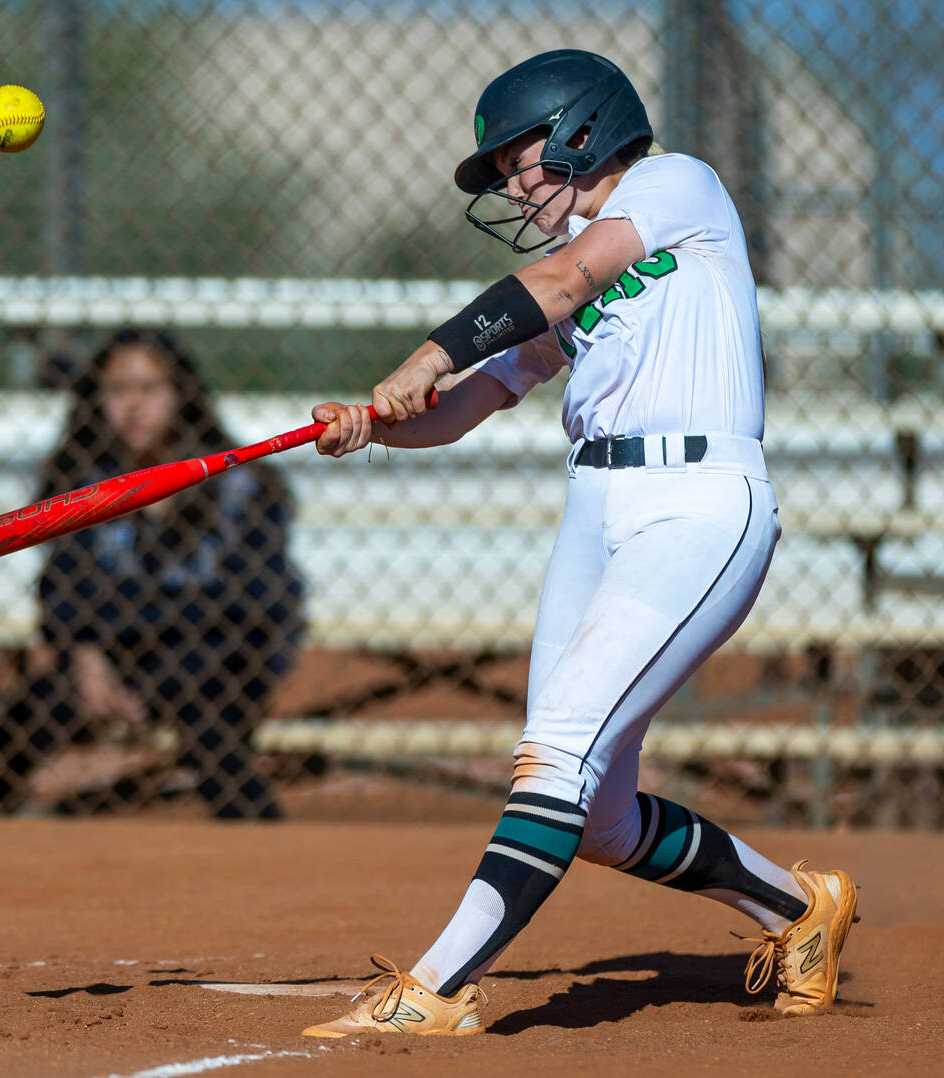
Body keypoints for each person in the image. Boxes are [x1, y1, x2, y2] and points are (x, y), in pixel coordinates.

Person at [301, 49, 858, 1036]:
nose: (514, 184)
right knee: (596, 815)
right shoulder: (583, 274)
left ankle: (435, 986)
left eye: (520, 159)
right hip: (596, 511)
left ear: (582, 130)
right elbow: (469, 403)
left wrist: (425, 354)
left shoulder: (673, 187)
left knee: (555, 747)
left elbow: (557, 280)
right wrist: (375, 423)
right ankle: (798, 908)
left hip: (697, 503)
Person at [0, 327, 304, 819]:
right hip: (115, 655)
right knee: (37, 705)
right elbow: (62, 586)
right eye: (118, 391)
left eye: (149, 389)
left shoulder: (240, 482)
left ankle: (258, 837)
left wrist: (127, 633)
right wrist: (86, 654)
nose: (133, 407)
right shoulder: (82, 484)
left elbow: (251, 600)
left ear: (181, 394)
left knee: (207, 718)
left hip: (216, 656)